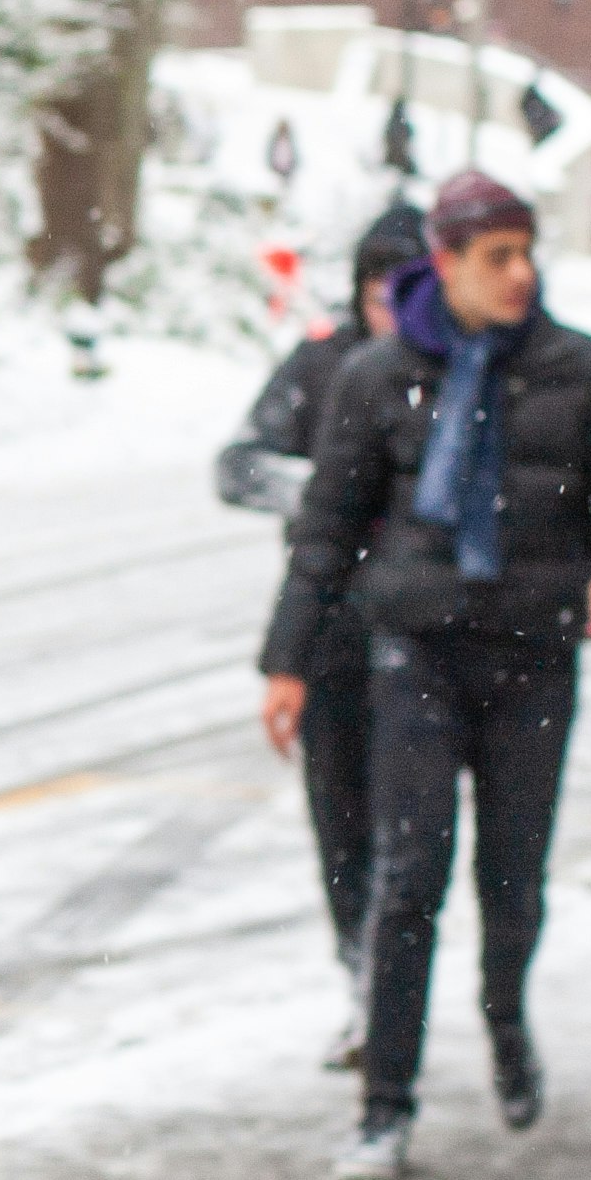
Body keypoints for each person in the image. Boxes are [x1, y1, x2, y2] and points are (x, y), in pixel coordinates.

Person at [256, 169, 591, 1180]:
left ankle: (506, 1021)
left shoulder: (582, 371)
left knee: (513, 882)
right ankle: (384, 1104)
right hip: (418, 657)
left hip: (534, 655)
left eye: (529, 254)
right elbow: (327, 531)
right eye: (500, 257)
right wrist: (289, 661)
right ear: (447, 265)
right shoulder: (376, 376)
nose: (521, 274)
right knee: (409, 882)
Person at [218, 202, 426, 1068]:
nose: (388, 309)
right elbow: (240, 463)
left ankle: (390, 1001)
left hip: (418, 637)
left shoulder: (452, 369)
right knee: (339, 824)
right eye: (377, 291)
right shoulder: (319, 366)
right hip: (330, 628)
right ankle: (361, 984)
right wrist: (333, 493)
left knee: (402, 830)